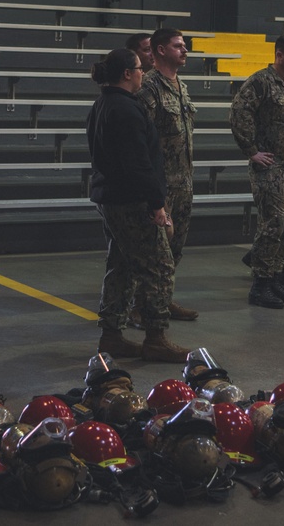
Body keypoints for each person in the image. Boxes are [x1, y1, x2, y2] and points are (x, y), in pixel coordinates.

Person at [86, 47, 190, 362]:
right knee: (159, 266)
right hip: (132, 201)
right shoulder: (127, 110)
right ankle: (156, 336)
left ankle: (112, 335)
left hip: (112, 198)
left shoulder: (103, 104)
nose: (143, 72)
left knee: (121, 266)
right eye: (138, 68)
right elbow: (138, 164)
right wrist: (157, 205)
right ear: (127, 74)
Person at [230, 35, 284, 309]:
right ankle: (260, 283)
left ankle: (275, 275)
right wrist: (251, 151)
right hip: (271, 168)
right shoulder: (261, 83)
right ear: (280, 55)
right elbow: (239, 114)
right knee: (274, 223)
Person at [131, 28, 199, 327]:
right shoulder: (148, 87)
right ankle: (138, 307)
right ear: (160, 50)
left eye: (184, 46)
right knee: (151, 251)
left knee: (174, 250)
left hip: (182, 182)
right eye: (178, 46)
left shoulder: (181, 87)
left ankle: (162, 299)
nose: (184, 51)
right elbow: (141, 140)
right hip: (160, 184)